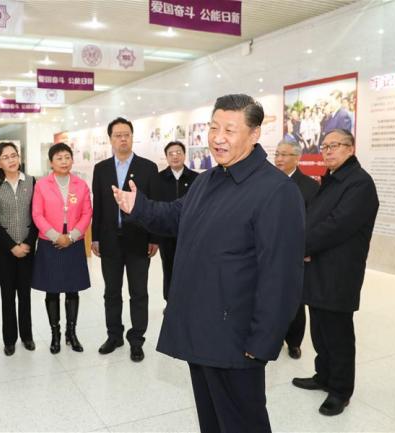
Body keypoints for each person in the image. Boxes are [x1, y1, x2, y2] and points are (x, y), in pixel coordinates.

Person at [112, 94, 305, 432]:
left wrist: (261, 344)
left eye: (230, 130)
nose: (218, 137)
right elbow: (175, 216)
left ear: (255, 134)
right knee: (212, 420)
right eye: (214, 127)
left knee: (243, 423)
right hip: (200, 327)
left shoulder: (276, 192)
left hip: (237, 338)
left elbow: (282, 277)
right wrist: (139, 206)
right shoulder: (208, 179)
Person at [292, 129, 379, 416]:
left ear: (351, 148)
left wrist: (302, 245)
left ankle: (341, 390)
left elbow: (338, 225)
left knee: (338, 333)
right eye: (325, 147)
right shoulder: (331, 180)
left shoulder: (360, 184)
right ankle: (324, 376)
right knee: (319, 326)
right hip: (317, 265)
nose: (328, 151)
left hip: (339, 271)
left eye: (335, 146)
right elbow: (314, 218)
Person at [92, 117, 158, 362]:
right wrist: (95, 237)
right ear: (110, 139)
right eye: (117, 135)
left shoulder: (147, 168)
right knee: (111, 291)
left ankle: (136, 339)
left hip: (139, 239)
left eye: (126, 134)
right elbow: (98, 205)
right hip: (109, 240)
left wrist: (154, 237)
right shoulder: (101, 169)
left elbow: (154, 206)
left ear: (132, 137)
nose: (122, 138)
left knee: (139, 292)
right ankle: (114, 335)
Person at [31, 143, 92, 354]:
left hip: (73, 243)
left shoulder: (81, 185)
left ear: (72, 160)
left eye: (67, 157)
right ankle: (55, 334)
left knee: (73, 289)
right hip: (50, 242)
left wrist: (73, 236)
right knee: (52, 290)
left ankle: (71, 333)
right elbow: (37, 214)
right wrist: (56, 236)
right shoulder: (41, 185)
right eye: (59, 158)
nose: (64, 161)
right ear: (51, 162)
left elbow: (87, 213)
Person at [0, 142, 37, 356]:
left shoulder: (32, 182)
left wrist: (27, 243)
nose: (11, 160)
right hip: (4, 250)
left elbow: (37, 216)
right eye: (6, 157)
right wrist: (11, 247)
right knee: (7, 295)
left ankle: (27, 336)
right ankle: (9, 339)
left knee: (25, 294)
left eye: (14, 155)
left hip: (27, 247)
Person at [273, 139, 319, 360]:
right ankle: (272, 336)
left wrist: (305, 248)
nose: (279, 159)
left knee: (295, 301)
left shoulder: (310, 187)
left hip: (295, 253)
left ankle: (294, 341)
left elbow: (313, 222)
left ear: (297, 158)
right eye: (277, 154)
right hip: (268, 250)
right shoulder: (267, 182)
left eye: (285, 155)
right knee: (270, 296)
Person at [154, 141, 198, 301]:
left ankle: (189, 301)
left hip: (191, 233)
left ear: (184, 155)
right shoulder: (158, 179)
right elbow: (155, 207)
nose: (175, 156)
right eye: (171, 153)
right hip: (167, 234)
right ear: (166, 157)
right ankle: (170, 301)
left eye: (178, 152)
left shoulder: (196, 179)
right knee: (169, 268)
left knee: (190, 269)